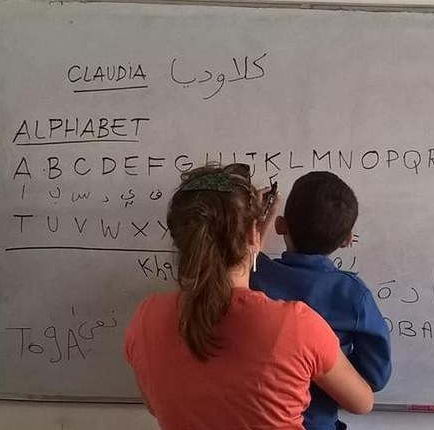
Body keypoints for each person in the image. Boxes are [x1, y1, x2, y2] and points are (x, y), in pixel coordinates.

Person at [125, 163, 373, 430]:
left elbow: (154, 405)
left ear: (181, 239)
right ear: (253, 236)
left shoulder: (146, 319)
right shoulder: (297, 326)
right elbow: (362, 402)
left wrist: (252, 235)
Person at [251, 171, 392, 430]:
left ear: (281, 225)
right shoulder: (353, 295)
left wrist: (258, 223)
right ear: (347, 239)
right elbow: (375, 376)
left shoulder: (254, 276)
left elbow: (248, 258)